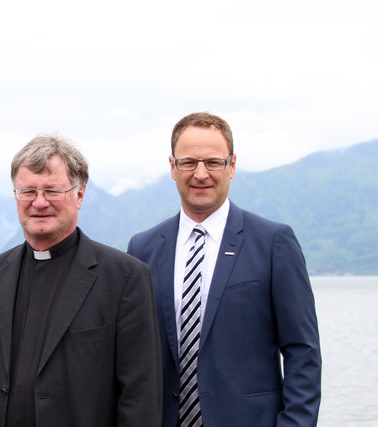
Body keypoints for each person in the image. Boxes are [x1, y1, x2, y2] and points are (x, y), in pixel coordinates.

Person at [0, 135, 162, 427]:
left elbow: (140, 398)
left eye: (52, 191)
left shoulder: (124, 278)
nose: (39, 202)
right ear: (15, 195)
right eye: (28, 191)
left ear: (79, 194)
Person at [128, 112, 321, 427]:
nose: (201, 174)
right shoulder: (143, 249)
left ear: (232, 166)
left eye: (213, 162)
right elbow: (132, 356)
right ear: (172, 168)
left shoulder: (273, 243)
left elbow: (303, 352)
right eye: (188, 162)